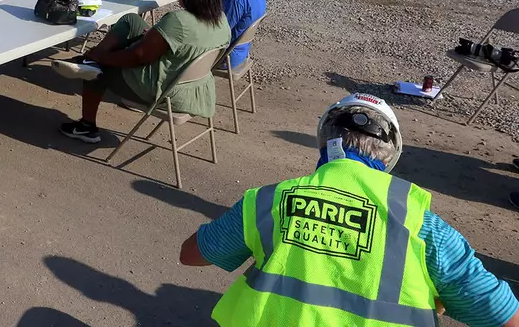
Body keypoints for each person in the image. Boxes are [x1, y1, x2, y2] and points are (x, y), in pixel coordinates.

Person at [180, 93, 519, 327]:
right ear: (389, 157)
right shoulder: (426, 228)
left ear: (325, 143)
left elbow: (192, 254)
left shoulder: (270, 200)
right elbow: (504, 316)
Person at [52, 0, 231, 143]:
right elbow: (187, 47)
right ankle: (90, 59)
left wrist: (103, 57)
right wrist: (153, 37)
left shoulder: (179, 21)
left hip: (165, 92)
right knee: (132, 21)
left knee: (96, 71)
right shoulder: (221, 21)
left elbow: (137, 57)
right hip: (196, 89)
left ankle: (86, 123)